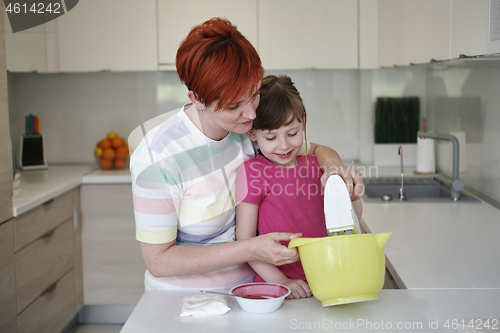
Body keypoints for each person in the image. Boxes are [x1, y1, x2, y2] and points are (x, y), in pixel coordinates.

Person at [130, 17, 364, 291]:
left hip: (256, 288)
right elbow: (159, 261)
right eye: (234, 106)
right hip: (186, 298)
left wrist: (335, 168)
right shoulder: (158, 153)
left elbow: (316, 150)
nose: (251, 114)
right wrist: (251, 250)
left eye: (253, 95)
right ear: (197, 99)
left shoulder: (249, 130)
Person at [235, 75, 363, 299]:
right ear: (252, 133)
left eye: (292, 134)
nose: (284, 145)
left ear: (303, 121)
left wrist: (350, 195)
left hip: (327, 281)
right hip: (276, 289)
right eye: (271, 137)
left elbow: (352, 220)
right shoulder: (252, 172)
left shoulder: (317, 168)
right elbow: (246, 244)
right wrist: (282, 282)